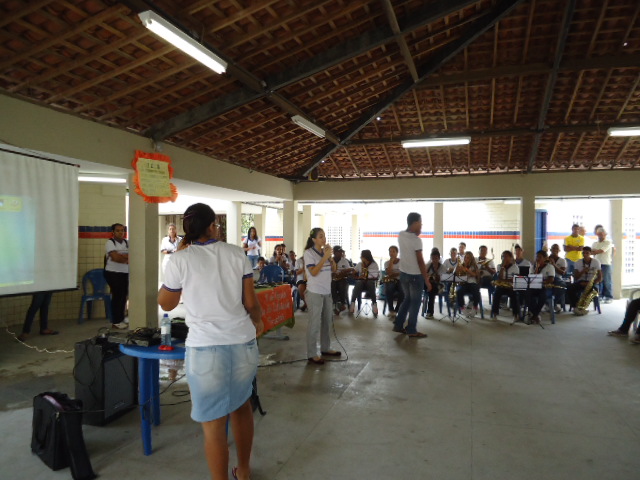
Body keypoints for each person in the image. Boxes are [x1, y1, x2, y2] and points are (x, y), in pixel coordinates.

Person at [158, 203, 263, 480]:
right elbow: (251, 303)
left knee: (214, 426)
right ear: (212, 226)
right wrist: (258, 322)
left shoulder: (179, 260)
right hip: (242, 343)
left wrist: (179, 261)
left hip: (205, 349)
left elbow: (166, 303)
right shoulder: (236, 253)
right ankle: (244, 471)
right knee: (241, 406)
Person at [303, 228, 340, 364]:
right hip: (315, 292)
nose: (324, 239)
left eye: (324, 236)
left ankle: (325, 348)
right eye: (320, 236)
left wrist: (330, 258)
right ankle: (312, 353)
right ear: (314, 239)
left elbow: (334, 269)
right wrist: (324, 257)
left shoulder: (325, 252)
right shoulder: (308, 253)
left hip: (326, 292)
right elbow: (313, 272)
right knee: (314, 323)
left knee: (327, 322)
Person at [392, 213, 432, 338]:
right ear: (415, 223)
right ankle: (411, 329)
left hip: (403, 274)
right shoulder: (416, 240)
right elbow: (420, 261)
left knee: (407, 299)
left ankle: (398, 325)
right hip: (415, 276)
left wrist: (417, 231)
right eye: (420, 223)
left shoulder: (401, 235)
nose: (421, 225)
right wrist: (427, 280)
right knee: (415, 303)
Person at [104, 223, 129, 329]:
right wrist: (126, 258)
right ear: (113, 232)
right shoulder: (110, 243)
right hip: (113, 273)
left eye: (122, 230)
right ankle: (116, 321)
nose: (120, 232)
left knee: (123, 296)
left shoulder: (127, 243)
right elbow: (115, 258)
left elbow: (134, 256)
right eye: (118, 230)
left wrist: (122, 256)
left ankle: (121, 318)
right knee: (117, 296)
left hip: (125, 273)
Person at [567, 246, 602, 311]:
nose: (585, 254)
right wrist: (583, 271)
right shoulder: (578, 262)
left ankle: (583, 306)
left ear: (590, 253)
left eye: (587, 253)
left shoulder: (596, 262)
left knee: (593, 291)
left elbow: (600, 277)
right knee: (569, 288)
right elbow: (576, 277)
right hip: (581, 282)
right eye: (583, 253)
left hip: (592, 282)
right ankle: (576, 306)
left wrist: (591, 283)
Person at [527, 250, 556, 324]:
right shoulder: (533, 267)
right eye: (537, 257)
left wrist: (542, 281)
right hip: (534, 287)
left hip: (545, 287)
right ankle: (535, 315)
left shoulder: (550, 267)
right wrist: (537, 268)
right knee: (527, 294)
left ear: (545, 258)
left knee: (543, 296)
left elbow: (551, 279)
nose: (537, 259)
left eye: (540, 257)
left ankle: (535, 315)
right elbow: (532, 278)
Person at [349, 249, 380, 317]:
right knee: (358, 282)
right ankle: (352, 303)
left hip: (370, 282)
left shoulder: (374, 264)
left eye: (362, 256)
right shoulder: (360, 264)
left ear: (366, 257)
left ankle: (374, 304)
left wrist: (367, 275)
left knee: (370, 283)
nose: (361, 257)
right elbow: (353, 273)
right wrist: (358, 277)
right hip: (361, 283)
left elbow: (376, 275)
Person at [490, 250, 520, 322]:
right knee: (496, 294)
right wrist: (502, 267)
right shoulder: (499, 266)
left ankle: (516, 314)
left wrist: (504, 280)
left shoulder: (515, 267)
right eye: (503, 256)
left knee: (514, 296)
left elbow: (514, 279)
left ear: (511, 258)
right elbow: (499, 278)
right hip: (501, 287)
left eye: (506, 256)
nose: (504, 258)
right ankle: (495, 313)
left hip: (511, 287)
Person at [456, 251, 481, 317]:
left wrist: (467, 270)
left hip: (472, 283)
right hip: (463, 283)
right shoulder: (462, 265)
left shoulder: (474, 266)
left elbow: (475, 274)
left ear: (471, 259)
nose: (466, 259)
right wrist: (458, 269)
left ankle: (475, 307)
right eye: (465, 257)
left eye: (468, 258)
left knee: (476, 292)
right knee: (458, 291)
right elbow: (457, 275)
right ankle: (462, 308)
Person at [592, 227, 613, 303]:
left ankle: (608, 297)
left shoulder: (608, 242)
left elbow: (601, 251)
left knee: (607, 281)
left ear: (605, 234)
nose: (600, 235)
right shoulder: (595, 243)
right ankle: (600, 296)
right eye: (599, 234)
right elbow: (591, 252)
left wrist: (595, 251)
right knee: (598, 281)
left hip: (606, 264)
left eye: (602, 234)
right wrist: (595, 251)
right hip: (597, 264)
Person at [424, 248, 446, 319]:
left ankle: (430, 312)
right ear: (431, 258)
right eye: (433, 258)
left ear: (439, 258)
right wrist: (427, 276)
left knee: (431, 290)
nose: (434, 260)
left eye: (436, 258)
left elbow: (441, 279)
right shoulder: (428, 265)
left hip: (438, 285)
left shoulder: (442, 267)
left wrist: (436, 271)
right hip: (427, 284)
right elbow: (423, 275)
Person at [331, 246, 353, 315]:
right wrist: (333, 274)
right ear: (334, 252)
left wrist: (344, 272)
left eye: (341, 252)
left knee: (342, 284)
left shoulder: (344, 261)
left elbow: (350, 270)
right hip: (332, 278)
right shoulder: (329, 260)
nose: (341, 253)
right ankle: (335, 304)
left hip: (342, 278)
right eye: (339, 252)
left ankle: (342, 304)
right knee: (332, 285)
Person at [383, 245, 404, 318]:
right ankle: (391, 310)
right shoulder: (386, 263)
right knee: (389, 288)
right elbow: (389, 273)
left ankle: (396, 310)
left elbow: (403, 273)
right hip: (391, 281)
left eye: (393, 251)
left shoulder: (402, 262)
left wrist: (394, 274)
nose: (391, 253)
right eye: (390, 251)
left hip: (401, 281)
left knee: (403, 290)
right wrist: (391, 262)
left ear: (397, 253)